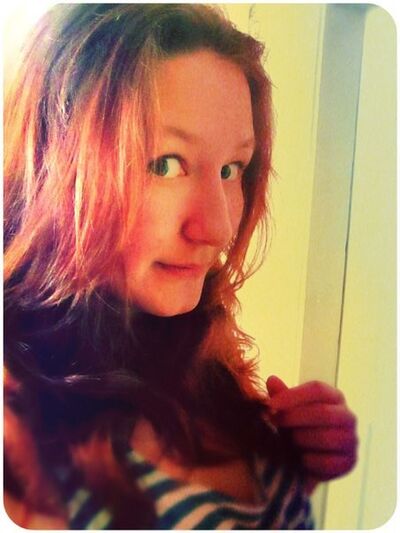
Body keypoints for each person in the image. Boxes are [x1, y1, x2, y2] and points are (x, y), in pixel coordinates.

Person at [3, 4, 358, 530]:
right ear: (55, 165)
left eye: (232, 169)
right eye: (166, 164)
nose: (216, 228)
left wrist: (290, 475)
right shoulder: (18, 424)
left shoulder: (203, 362)